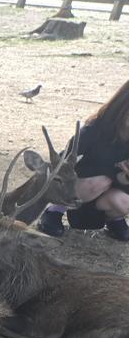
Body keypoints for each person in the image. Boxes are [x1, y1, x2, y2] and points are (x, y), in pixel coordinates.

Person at [38, 78, 129, 242]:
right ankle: (55, 209)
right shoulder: (95, 129)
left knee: (123, 201)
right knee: (100, 182)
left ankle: (115, 219)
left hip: (104, 201)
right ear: (121, 104)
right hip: (79, 190)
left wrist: (125, 177)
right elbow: (61, 162)